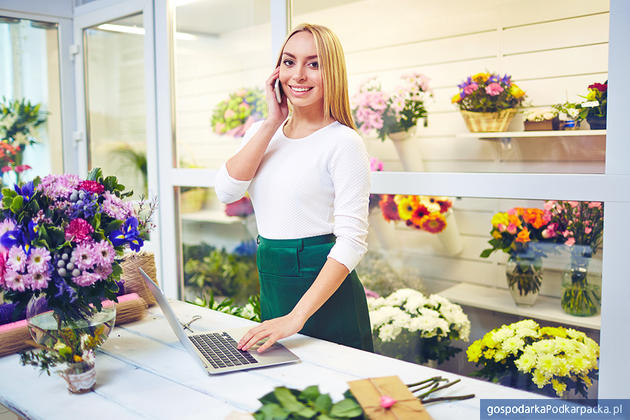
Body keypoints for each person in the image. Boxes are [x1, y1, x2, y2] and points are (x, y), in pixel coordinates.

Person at [214, 23, 373, 354]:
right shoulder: (263, 131)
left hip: (324, 291)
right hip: (273, 280)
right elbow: (227, 192)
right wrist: (272, 122)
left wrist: (296, 317)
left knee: (338, 397)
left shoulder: (343, 142)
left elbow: (352, 242)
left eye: (314, 64)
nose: (298, 75)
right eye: (289, 62)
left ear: (333, 73)